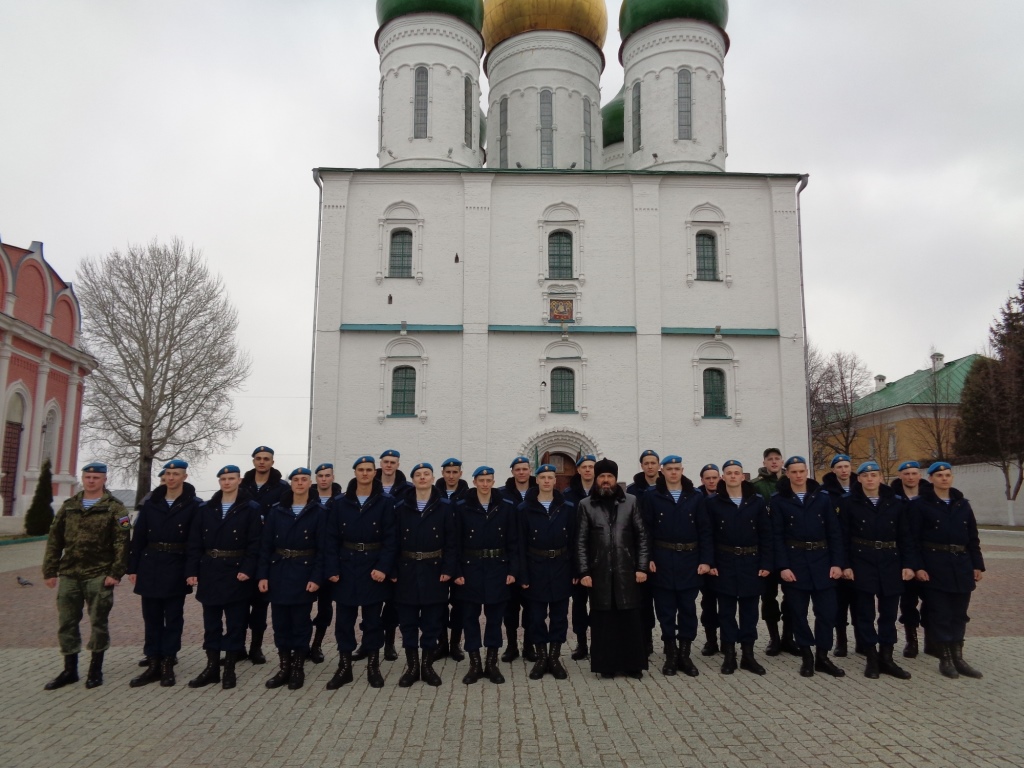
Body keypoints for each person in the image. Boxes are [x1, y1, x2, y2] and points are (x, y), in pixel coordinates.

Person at [42, 462, 130, 690]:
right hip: (70, 573)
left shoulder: (115, 508)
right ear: (83, 478)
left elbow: (122, 543)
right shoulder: (70, 506)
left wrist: (115, 573)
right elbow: (55, 539)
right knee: (67, 623)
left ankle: (95, 670)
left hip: (99, 574)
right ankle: (70, 670)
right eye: (87, 476)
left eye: (96, 477)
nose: (91, 481)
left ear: (104, 480)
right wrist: (50, 570)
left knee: (98, 622)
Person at [323, 455, 397, 690]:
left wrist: (383, 567)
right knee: (344, 621)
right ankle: (344, 667)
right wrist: (332, 568)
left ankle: (373, 666)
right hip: (346, 567)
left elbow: (391, 538)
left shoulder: (386, 502)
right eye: (360, 469)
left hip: (373, 567)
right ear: (354, 472)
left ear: (375, 473)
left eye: (368, 469)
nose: (365, 473)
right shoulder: (340, 502)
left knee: (373, 620)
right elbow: (330, 538)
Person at [185, 465, 263, 690]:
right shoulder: (206, 508)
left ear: (239, 480)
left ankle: (229, 668)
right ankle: (211, 668)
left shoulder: (250, 508)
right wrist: (192, 571)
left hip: (236, 571)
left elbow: (255, 542)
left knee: (236, 624)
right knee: (211, 624)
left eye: (231, 478)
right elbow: (195, 542)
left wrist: (248, 568)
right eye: (223, 479)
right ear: (219, 481)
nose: (227, 482)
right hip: (210, 569)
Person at [127, 459, 202, 687]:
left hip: (176, 566)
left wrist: (192, 570)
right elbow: (138, 538)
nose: (171, 477)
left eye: (176, 474)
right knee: (151, 617)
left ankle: (169, 662)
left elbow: (195, 541)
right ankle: (153, 662)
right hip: (150, 565)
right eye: (168, 473)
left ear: (184, 477)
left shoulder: (194, 505)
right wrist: (132, 567)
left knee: (173, 618)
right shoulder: (152, 503)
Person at [575, 458, 651, 679]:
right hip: (599, 572)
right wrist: (584, 572)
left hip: (627, 570)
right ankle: (606, 665)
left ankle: (632, 665)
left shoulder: (631, 502)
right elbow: (580, 541)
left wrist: (642, 567)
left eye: (609, 476)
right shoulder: (586, 505)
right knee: (603, 619)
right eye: (602, 477)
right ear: (596, 479)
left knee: (629, 618)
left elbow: (642, 537)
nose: (606, 480)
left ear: (616, 479)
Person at [771, 456, 846, 678]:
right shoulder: (778, 500)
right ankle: (807, 656)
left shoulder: (822, 499)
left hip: (822, 561)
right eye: (794, 472)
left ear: (807, 472)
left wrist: (837, 563)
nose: (798, 475)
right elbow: (777, 537)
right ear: (787, 474)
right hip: (795, 563)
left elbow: (834, 533)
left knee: (827, 613)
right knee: (798, 614)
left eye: (802, 471)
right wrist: (782, 566)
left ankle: (823, 656)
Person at [839, 461, 915, 680]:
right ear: (859, 479)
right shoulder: (849, 503)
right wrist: (846, 565)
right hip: (862, 560)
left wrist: (909, 564)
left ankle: (887, 658)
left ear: (881, 477)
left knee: (889, 614)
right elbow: (842, 537)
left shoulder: (896, 503)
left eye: (874, 475)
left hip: (891, 561)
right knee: (865, 614)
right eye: (866, 475)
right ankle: (871, 659)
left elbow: (905, 536)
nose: (870, 479)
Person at [911, 462, 985, 679]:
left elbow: (973, 537)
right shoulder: (920, 505)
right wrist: (918, 567)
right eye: (939, 475)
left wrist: (977, 564)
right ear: (931, 478)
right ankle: (945, 657)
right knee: (940, 613)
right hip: (935, 564)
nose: (944, 478)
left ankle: (958, 657)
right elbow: (913, 539)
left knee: (959, 614)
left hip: (961, 564)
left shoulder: (962, 504)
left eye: (947, 475)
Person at [640, 455, 712, 677]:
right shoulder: (652, 495)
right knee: (666, 610)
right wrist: (648, 558)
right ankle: (670, 653)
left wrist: (706, 560)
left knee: (688, 609)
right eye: (669, 468)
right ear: (662, 471)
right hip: (662, 559)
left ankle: (685, 653)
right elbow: (646, 530)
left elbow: (705, 531)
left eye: (677, 468)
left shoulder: (695, 496)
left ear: (682, 470)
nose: (673, 472)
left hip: (689, 560)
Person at [258, 468, 325, 691]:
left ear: (310, 483)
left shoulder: (319, 512)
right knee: (280, 624)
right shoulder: (277, 511)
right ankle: (284, 666)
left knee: (301, 623)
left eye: (303, 479)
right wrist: (263, 575)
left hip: (304, 573)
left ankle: (297, 667)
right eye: (295, 480)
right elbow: (266, 546)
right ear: (291, 484)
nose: (299, 483)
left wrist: (317, 578)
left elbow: (323, 550)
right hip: (279, 572)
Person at [392, 463, 456, 686]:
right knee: (408, 622)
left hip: (434, 570)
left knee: (432, 622)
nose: (422, 478)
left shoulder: (445, 507)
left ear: (432, 478)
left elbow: (452, 542)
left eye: (426, 474)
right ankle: (412, 667)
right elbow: (393, 541)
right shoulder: (400, 507)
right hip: (406, 570)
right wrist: (392, 570)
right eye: (417, 474)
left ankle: (427, 666)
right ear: (412, 479)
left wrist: (448, 569)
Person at [453, 466, 518, 684]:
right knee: (470, 618)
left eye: (488, 480)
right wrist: (457, 572)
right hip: (469, 569)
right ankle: (474, 664)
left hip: (497, 568)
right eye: (481, 480)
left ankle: (491, 664)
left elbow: (513, 542)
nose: (485, 484)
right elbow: (454, 543)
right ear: (474, 482)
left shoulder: (506, 507)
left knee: (494, 619)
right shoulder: (462, 507)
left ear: (493, 481)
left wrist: (512, 570)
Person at [706, 460, 772, 675]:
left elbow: (766, 534)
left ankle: (748, 655)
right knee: (726, 612)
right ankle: (730, 655)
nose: (733, 476)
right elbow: (708, 535)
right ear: (723, 477)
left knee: (749, 612)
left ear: (743, 476)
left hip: (751, 562)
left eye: (737, 473)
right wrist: (711, 562)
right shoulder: (714, 502)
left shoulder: (756, 502)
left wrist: (766, 563)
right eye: (729, 473)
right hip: (724, 562)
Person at [519, 464, 577, 681]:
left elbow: (573, 541)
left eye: (550, 477)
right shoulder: (524, 509)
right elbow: (520, 545)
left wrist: (576, 570)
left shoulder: (568, 508)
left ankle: (554, 657)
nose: (546, 481)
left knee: (559, 617)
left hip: (561, 566)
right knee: (536, 617)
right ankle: (541, 657)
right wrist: (523, 574)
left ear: (555, 481)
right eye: (542, 477)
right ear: (537, 480)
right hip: (535, 567)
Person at [354, 448, 407, 663]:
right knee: (370, 602)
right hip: (374, 554)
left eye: (393, 462)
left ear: (397, 464)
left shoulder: (406, 489)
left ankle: (390, 644)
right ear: (380, 465)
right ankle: (367, 643)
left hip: (398, 551)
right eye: (385, 461)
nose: (389, 465)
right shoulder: (370, 488)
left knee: (393, 602)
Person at [240, 445, 289, 665]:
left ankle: (256, 648)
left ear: (272, 462)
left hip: (267, 550)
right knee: (239, 604)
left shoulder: (281, 487)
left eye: (266, 458)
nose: (262, 462)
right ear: (253, 461)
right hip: (243, 551)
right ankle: (237, 647)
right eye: (258, 458)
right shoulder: (242, 485)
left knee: (260, 605)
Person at [752, 447, 795, 657]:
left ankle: (789, 637)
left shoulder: (791, 484)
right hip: (766, 549)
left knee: (792, 595)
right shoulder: (757, 486)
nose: (774, 462)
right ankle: (774, 638)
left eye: (778, 458)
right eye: (770, 459)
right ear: (765, 462)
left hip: (788, 548)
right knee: (768, 596)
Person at [891, 460, 933, 658]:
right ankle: (911, 640)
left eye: (914, 473)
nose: (910, 477)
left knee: (932, 599)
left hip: (928, 556)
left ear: (920, 475)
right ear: (900, 475)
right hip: (903, 556)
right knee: (908, 601)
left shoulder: (930, 497)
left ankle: (932, 639)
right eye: (906, 473)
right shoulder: (893, 498)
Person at [498, 456, 537, 663]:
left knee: (531, 606)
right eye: (517, 469)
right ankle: (512, 646)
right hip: (510, 557)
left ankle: (529, 646)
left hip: (531, 559)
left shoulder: (538, 493)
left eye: (525, 469)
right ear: (512, 471)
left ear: (530, 471)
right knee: (510, 608)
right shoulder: (502, 494)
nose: (521, 472)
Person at [822, 453, 860, 657]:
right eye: (840, 467)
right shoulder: (826, 493)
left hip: (858, 550)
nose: (844, 470)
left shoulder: (860, 488)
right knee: (839, 601)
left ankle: (862, 639)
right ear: (834, 470)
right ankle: (841, 640)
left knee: (860, 599)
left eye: (847, 466)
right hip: (835, 549)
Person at [562, 454, 596, 661]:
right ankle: (581, 643)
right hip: (577, 557)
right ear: (578, 470)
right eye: (584, 467)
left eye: (591, 466)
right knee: (579, 603)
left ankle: (599, 641)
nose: (588, 470)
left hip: (599, 557)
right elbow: (568, 532)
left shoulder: (603, 492)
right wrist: (575, 567)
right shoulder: (568, 495)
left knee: (599, 603)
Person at [435, 457, 469, 662]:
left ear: (460, 474)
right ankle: (441, 643)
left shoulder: (468, 495)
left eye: (455, 472)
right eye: (448, 472)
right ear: (443, 473)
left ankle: (456, 643)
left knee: (459, 603)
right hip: (438, 557)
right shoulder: (433, 494)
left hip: (462, 558)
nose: (451, 475)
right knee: (438, 603)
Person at [308, 462, 341, 664]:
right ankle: (302, 644)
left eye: (327, 475)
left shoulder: (340, 501)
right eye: (320, 475)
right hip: (309, 560)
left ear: (332, 477)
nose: (323, 479)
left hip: (330, 559)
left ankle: (317, 644)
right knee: (303, 605)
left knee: (325, 606)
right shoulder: (307, 500)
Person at [697, 463, 722, 657]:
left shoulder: (726, 496)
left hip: (725, 558)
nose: (712, 481)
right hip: (706, 558)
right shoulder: (698, 498)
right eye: (708, 478)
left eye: (715, 477)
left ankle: (728, 640)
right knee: (708, 602)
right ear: (702, 480)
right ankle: (711, 640)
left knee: (727, 602)